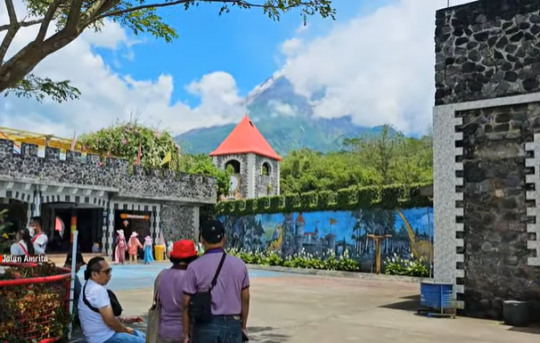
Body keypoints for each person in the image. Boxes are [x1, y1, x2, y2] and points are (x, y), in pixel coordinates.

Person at [182, 220, 250, 343]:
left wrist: (186, 334)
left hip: (205, 325)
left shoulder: (194, 266)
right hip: (233, 325)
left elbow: (186, 303)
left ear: (202, 240)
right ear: (224, 239)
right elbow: (245, 298)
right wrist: (243, 326)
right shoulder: (239, 265)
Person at [78, 256, 145, 343]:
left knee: (143, 336)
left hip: (97, 337)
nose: (110, 275)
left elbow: (100, 315)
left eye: (110, 271)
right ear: (94, 274)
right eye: (107, 272)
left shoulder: (86, 286)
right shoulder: (98, 290)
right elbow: (110, 321)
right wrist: (126, 331)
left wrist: (124, 319)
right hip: (106, 339)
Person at [153, 240, 198, 343]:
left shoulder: (162, 275)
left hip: (164, 331)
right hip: (187, 333)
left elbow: (157, 300)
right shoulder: (193, 277)